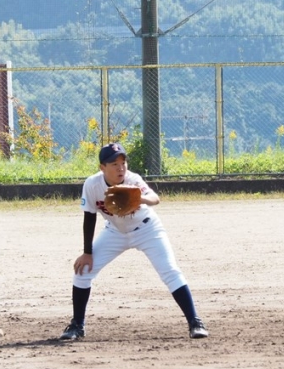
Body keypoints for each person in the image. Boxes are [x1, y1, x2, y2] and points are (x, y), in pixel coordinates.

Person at [60, 142, 208, 340]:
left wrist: (140, 198)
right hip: (115, 232)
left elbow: (155, 198)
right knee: (83, 271)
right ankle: (77, 325)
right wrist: (87, 253)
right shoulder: (92, 184)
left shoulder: (133, 180)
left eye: (123, 163)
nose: (120, 168)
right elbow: (89, 217)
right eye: (114, 164)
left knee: (170, 271)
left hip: (147, 229)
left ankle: (195, 322)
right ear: (102, 167)